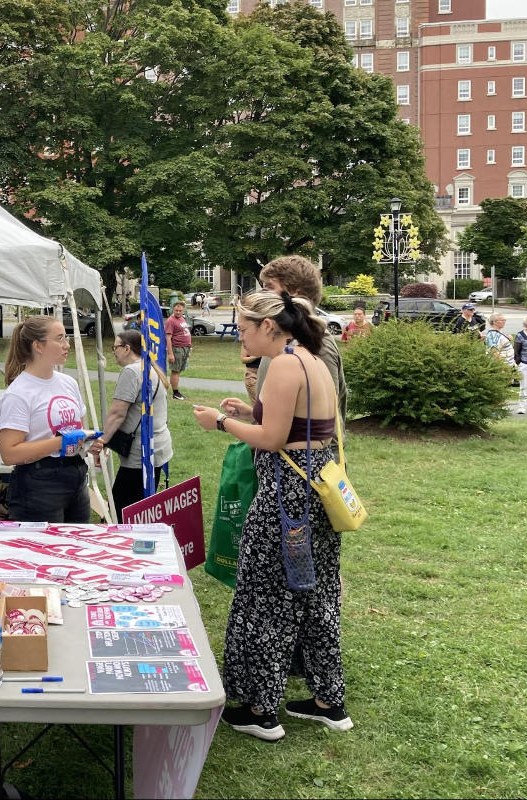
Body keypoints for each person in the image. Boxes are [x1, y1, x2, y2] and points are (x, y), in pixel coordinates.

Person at [191, 291, 350, 742]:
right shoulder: (311, 358)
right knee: (315, 595)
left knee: (266, 595)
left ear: (268, 326)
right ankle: (328, 699)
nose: (239, 335)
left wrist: (220, 423)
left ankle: (262, 711)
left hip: (287, 496)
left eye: (243, 327)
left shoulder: (282, 364)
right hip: (316, 489)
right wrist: (247, 410)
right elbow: (302, 425)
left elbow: (271, 437)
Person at [0, 315, 102, 522]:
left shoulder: (68, 383)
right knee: (44, 551)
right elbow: (9, 454)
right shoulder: (19, 393)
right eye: (60, 338)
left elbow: (77, 428)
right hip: (38, 484)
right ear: (38, 346)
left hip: (76, 475)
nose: (67, 344)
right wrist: (60, 442)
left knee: (77, 545)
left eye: (66, 338)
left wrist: (88, 442)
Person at [255, 255, 347, 420]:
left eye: (268, 287)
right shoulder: (280, 337)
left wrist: (222, 422)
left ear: (293, 292)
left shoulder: (316, 343)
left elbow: (326, 423)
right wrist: (251, 415)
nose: (262, 294)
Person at [98, 329, 173, 513]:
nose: (114, 351)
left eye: (115, 347)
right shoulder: (149, 367)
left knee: (122, 510)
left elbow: (117, 413)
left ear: (126, 348)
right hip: (157, 447)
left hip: (140, 452)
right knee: (142, 509)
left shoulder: (131, 371)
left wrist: (101, 441)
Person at [164, 301, 192, 400]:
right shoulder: (170, 321)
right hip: (177, 349)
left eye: (180, 310)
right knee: (175, 371)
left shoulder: (182, 318)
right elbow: (168, 337)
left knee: (179, 370)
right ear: (173, 309)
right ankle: (175, 393)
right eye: (176, 310)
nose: (178, 312)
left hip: (185, 348)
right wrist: (170, 354)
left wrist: (189, 348)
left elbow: (185, 333)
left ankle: (176, 391)